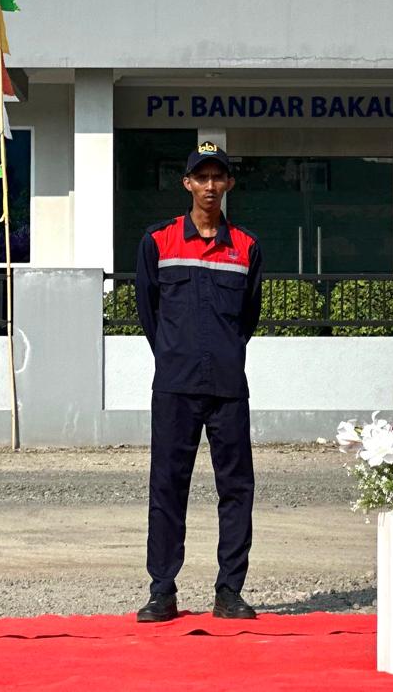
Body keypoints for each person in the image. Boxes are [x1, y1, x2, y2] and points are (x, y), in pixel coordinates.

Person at [134, 143, 264, 621]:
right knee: (167, 487)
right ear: (186, 183)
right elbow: (148, 311)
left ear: (229, 184)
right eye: (201, 177)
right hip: (175, 384)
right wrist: (174, 354)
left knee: (236, 489)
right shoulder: (159, 241)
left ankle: (229, 591)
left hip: (228, 385)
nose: (210, 185)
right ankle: (162, 591)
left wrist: (223, 354)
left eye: (219, 177)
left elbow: (248, 316)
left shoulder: (246, 247)